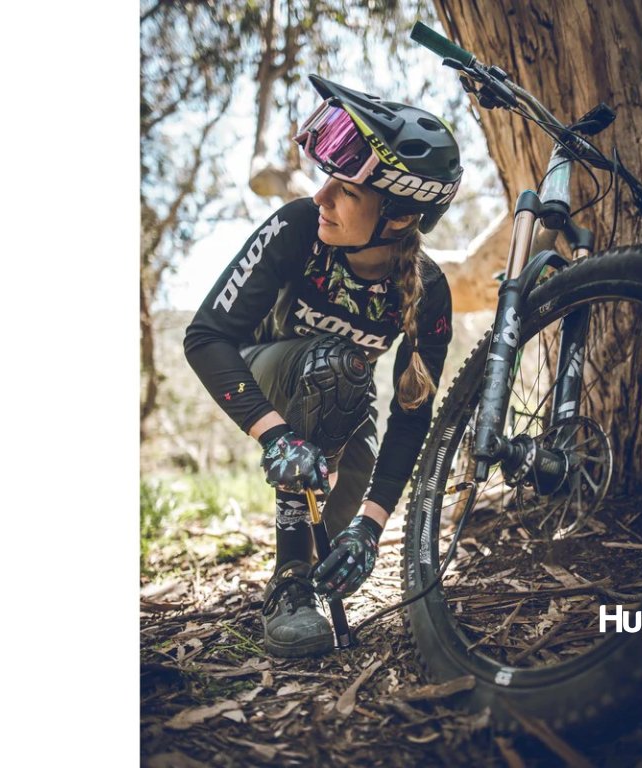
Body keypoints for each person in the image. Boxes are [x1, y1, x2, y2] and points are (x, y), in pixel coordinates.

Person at [184, 74, 462, 658]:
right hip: (262, 375)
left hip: (340, 395)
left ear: (397, 216)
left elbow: (412, 417)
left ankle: (311, 579)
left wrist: (371, 527)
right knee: (336, 363)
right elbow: (206, 336)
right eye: (327, 180)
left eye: (346, 191)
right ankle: (288, 584)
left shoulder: (427, 290)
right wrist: (276, 436)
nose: (320, 197)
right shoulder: (296, 229)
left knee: (346, 493)